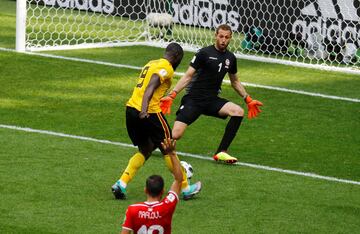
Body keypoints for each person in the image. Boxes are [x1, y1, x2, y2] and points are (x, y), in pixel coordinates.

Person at [160, 24, 263, 164]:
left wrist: (248, 99)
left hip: (211, 101)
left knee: (238, 111)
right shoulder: (204, 53)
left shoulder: (230, 58)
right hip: (194, 100)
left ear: (230, 38)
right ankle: (152, 139)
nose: (223, 40)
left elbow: (235, 82)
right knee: (175, 135)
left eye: (227, 37)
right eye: (221, 36)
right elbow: (188, 76)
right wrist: (173, 94)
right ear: (216, 36)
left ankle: (221, 152)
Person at [112, 42, 201, 201]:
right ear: (177, 57)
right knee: (169, 147)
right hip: (148, 113)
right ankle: (186, 188)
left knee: (146, 149)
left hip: (131, 110)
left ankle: (121, 183)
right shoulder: (166, 67)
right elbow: (151, 86)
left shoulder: (151, 63)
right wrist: (145, 109)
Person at [121, 138, 181, 234]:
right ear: (162, 192)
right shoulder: (167, 206)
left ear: (145, 190)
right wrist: (172, 154)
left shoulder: (133, 210)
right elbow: (178, 180)